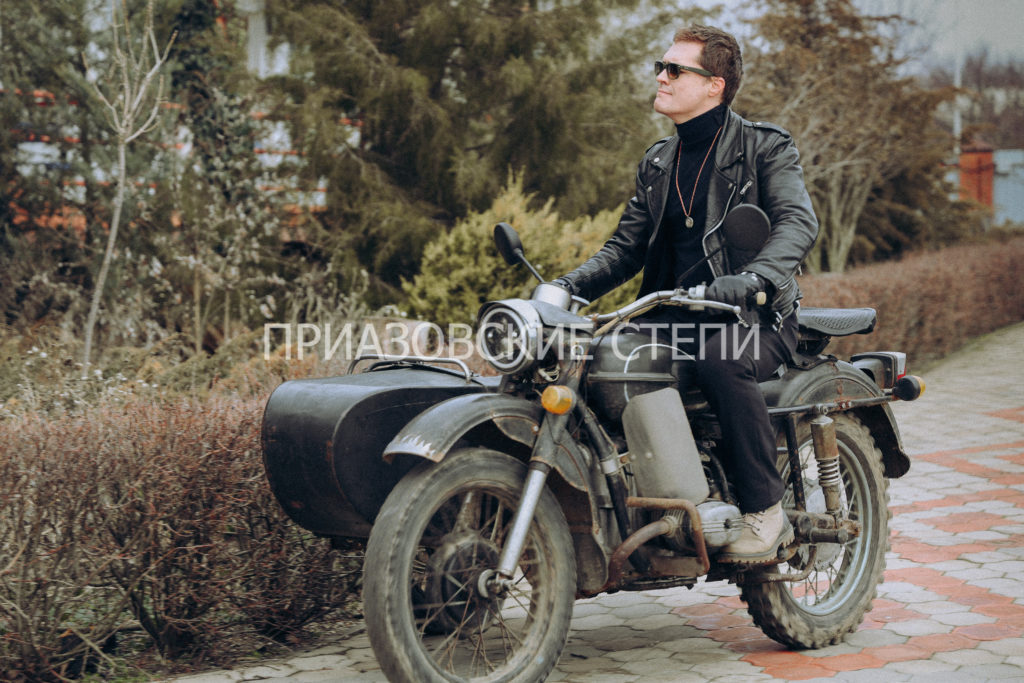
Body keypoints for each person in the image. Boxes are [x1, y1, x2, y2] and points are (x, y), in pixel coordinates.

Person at [553, 25, 818, 564]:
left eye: (674, 69)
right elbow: (624, 250)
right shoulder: (658, 162)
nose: (661, 77)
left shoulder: (765, 147)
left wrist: (755, 278)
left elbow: (797, 222)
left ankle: (765, 511)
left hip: (750, 316)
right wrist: (565, 287)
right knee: (585, 357)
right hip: (670, 318)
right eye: (661, 66)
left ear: (714, 84)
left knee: (722, 360)